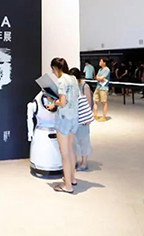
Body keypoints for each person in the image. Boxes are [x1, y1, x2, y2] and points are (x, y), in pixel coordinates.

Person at [46, 57, 80, 193]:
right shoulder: (73, 79)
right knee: (70, 150)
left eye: (52, 69)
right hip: (74, 118)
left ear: (55, 68)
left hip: (64, 119)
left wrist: (53, 103)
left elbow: (63, 102)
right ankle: (72, 178)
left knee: (64, 153)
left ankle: (68, 186)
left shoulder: (61, 81)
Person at [70, 67, 92, 172]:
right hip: (74, 118)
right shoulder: (72, 86)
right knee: (74, 141)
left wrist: (88, 118)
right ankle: (75, 161)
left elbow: (88, 103)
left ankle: (84, 162)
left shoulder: (84, 86)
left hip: (83, 119)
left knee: (84, 141)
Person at [93, 57, 110, 122]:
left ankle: (104, 116)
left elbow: (101, 78)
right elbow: (96, 77)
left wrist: (99, 78)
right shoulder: (100, 69)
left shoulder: (107, 70)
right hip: (98, 87)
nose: (99, 62)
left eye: (101, 61)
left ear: (104, 63)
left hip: (103, 88)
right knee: (95, 101)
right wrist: (98, 78)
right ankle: (95, 115)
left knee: (103, 102)